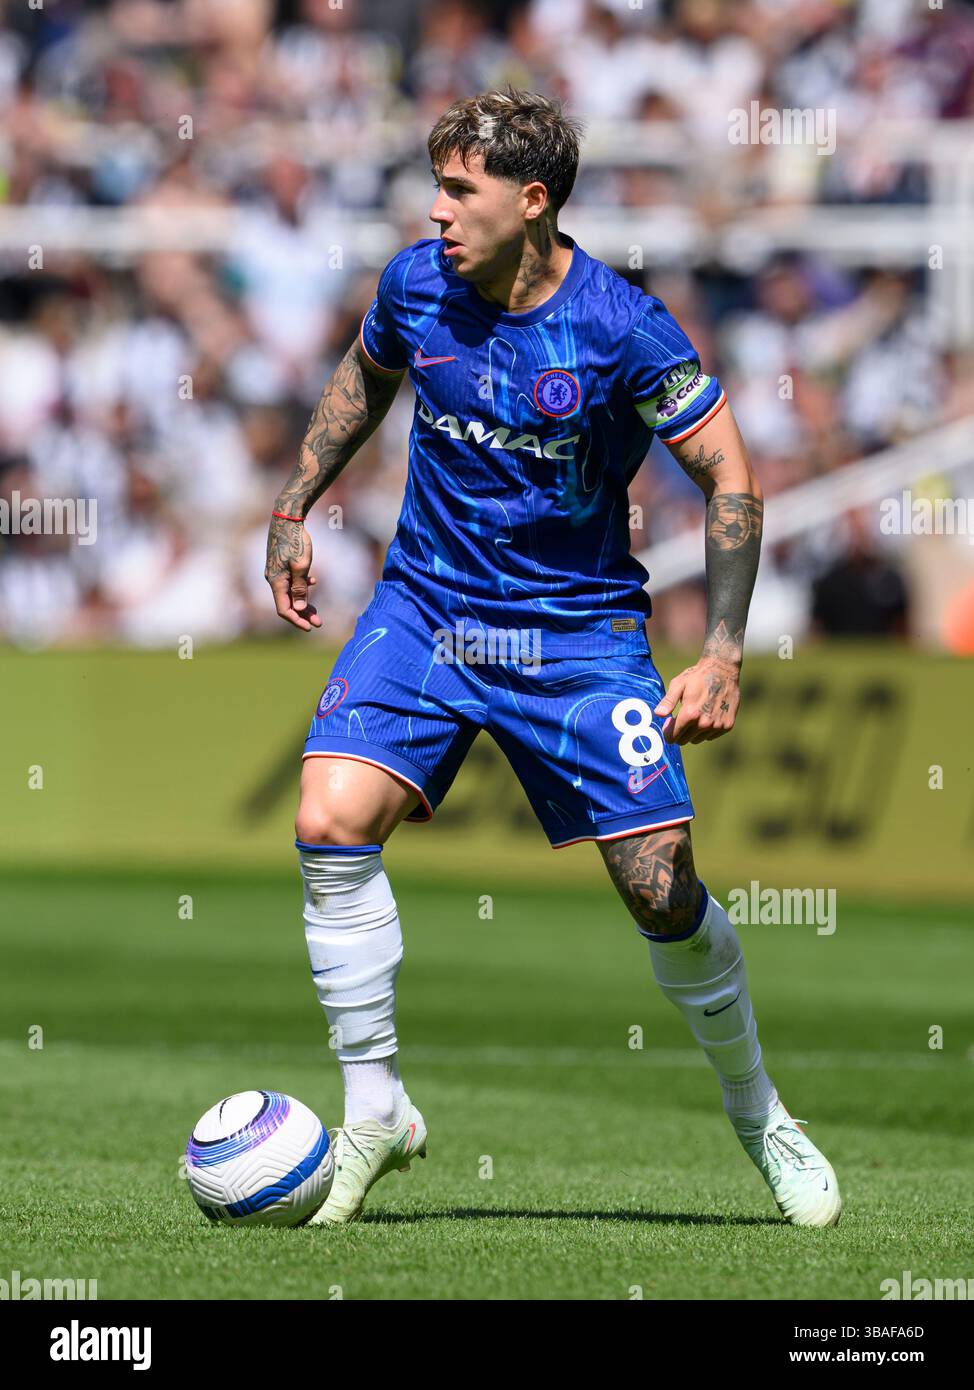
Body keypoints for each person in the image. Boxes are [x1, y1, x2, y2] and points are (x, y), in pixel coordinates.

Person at [264, 88, 841, 1229]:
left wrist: (719, 652)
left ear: (531, 202)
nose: (435, 212)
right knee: (329, 814)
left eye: (458, 191)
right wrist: (295, 503)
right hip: (426, 608)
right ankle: (375, 1108)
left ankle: (758, 1112)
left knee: (660, 888)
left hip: (573, 631)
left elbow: (729, 475)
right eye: (434, 187)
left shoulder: (621, 327)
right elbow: (367, 375)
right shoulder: (412, 283)